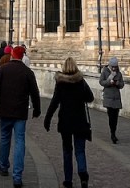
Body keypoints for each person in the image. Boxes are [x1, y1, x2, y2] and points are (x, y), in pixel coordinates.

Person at [0, 44, 41, 188]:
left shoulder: (3, 69)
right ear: (23, 56)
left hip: (5, 110)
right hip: (20, 112)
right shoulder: (27, 72)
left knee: (5, 137)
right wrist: (37, 109)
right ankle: (17, 177)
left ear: (12, 55)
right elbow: (35, 93)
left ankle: (3, 165)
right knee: (20, 141)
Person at [44, 57, 94, 188]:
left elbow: (54, 102)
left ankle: (68, 180)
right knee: (80, 150)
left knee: (67, 151)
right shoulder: (80, 81)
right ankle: (83, 174)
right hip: (80, 121)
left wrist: (47, 118)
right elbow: (90, 97)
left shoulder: (60, 83)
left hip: (66, 121)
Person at [99, 56, 125, 143]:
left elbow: (122, 84)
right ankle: (112, 133)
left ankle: (114, 132)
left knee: (115, 116)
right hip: (108, 96)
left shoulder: (119, 73)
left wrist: (117, 83)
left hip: (116, 97)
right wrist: (109, 81)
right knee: (111, 116)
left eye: (115, 66)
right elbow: (101, 82)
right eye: (112, 66)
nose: (114, 68)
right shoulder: (105, 72)